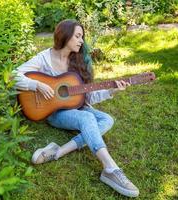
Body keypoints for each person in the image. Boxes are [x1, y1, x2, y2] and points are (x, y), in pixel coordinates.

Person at [13, 19, 139, 198]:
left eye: (82, 37)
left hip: (76, 109)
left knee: (107, 119)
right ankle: (111, 169)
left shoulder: (79, 62)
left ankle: (58, 151)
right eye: (78, 36)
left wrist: (111, 90)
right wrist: (37, 85)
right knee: (87, 119)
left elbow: (87, 97)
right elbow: (12, 75)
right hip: (52, 112)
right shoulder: (44, 58)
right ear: (65, 35)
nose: (82, 41)